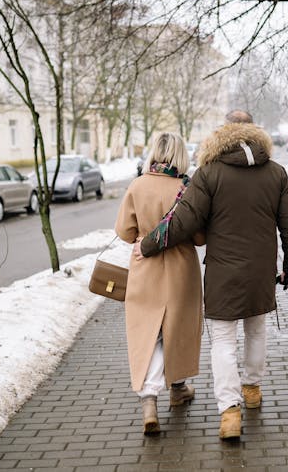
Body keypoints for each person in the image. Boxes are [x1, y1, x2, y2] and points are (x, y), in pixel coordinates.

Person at [134, 110, 288, 439]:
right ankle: (252, 389)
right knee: (256, 330)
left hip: (223, 272)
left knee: (223, 342)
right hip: (260, 271)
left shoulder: (209, 173)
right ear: (255, 131)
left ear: (223, 133)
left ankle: (229, 413)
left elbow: (182, 221)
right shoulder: (276, 173)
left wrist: (148, 246)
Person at [114, 132, 205, 435]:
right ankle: (177, 390)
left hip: (145, 268)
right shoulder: (187, 188)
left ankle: (149, 400)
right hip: (181, 269)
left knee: (148, 334)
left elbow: (125, 231)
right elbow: (200, 237)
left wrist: (144, 233)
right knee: (176, 329)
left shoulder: (137, 185)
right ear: (181, 155)